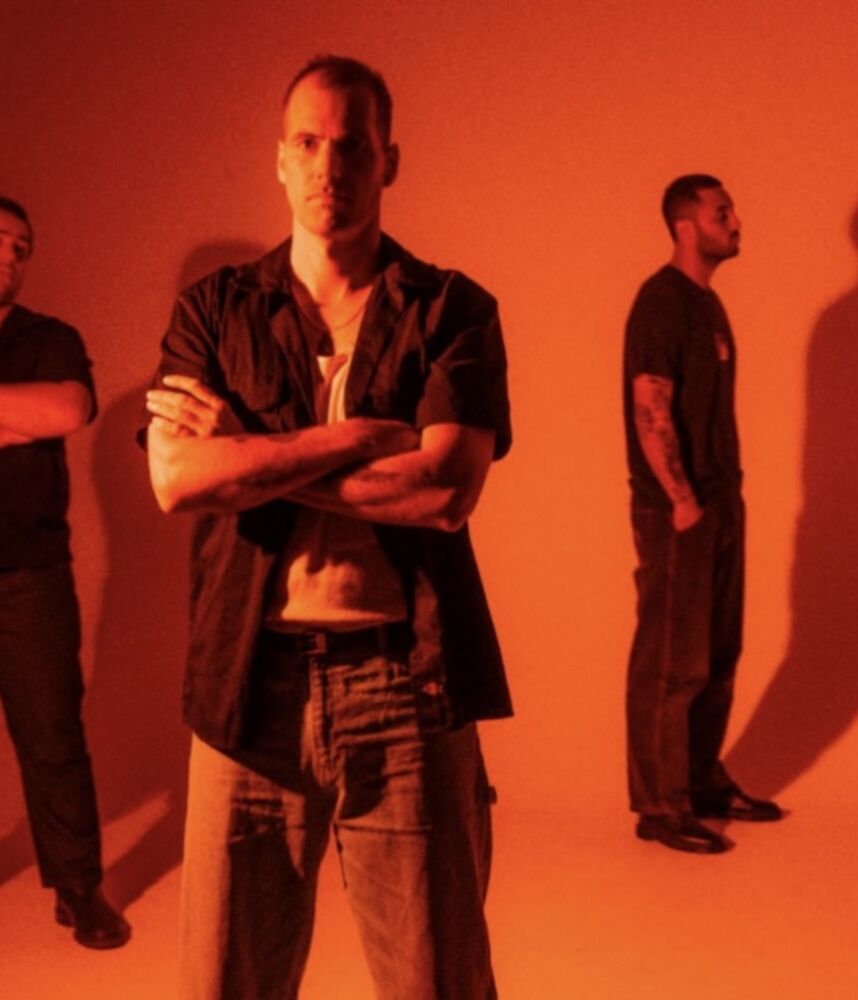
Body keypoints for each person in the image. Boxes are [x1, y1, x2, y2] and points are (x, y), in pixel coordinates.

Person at [144, 55, 511, 999]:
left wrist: (248, 455)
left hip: (405, 687)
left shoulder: (453, 310)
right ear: (279, 159)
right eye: (307, 143)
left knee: (439, 984)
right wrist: (353, 439)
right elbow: (178, 479)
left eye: (352, 146)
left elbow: (443, 495)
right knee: (225, 985)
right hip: (247, 690)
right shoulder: (213, 310)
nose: (328, 167)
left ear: (390, 161)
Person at [623, 174, 782, 855]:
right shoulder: (662, 302)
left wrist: (718, 500)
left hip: (719, 500)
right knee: (672, 660)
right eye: (723, 213)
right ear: (686, 226)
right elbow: (650, 405)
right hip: (677, 509)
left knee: (717, 652)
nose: (736, 221)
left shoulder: (707, 305)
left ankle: (701, 782)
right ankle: (661, 805)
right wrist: (682, 499)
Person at [0, 197, 130, 948]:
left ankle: (79, 888)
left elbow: (68, 410)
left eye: (22, 247)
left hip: (31, 574)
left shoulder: (51, 338)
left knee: (52, 733)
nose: (11, 256)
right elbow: (36, 416)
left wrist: (32, 416)